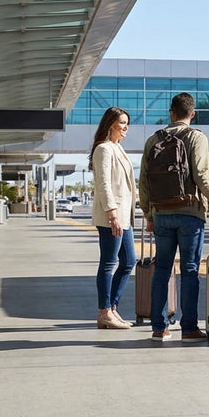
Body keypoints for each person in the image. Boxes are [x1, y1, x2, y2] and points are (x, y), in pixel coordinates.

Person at [139, 93, 209, 342]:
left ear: (171, 113)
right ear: (192, 114)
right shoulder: (196, 137)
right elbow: (202, 175)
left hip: (161, 214)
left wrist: (149, 214)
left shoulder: (152, 141)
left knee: (162, 270)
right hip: (190, 213)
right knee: (189, 270)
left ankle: (159, 328)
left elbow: (144, 182)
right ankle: (189, 328)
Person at [89, 106, 138, 330]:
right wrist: (112, 214)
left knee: (129, 261)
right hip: (113, 216)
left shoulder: (119, 148)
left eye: (127, 123)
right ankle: (104, 312)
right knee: (109, 263)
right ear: (111, 124)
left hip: (123, 216)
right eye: (122, 122)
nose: (126, 126)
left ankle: (112, 308)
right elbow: (104, 184)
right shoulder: (104, 149)